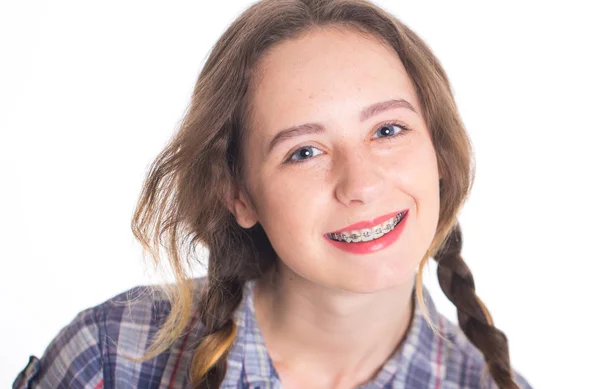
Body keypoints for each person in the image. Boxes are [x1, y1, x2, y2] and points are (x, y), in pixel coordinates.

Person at [13, 0, 533, 388]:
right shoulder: (109, 358)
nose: (362, 184)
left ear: (438, 153)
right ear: (238, 193)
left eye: (388, 130)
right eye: (304, 151)